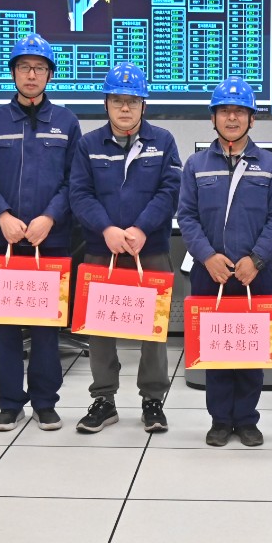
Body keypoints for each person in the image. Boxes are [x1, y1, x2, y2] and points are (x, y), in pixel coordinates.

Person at [68, 62, 182, 434]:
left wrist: (140, 228)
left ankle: (152, 400)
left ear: (144, 105)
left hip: (150, 249)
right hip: (102, 249)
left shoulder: (162, 141)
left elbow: (170, 190)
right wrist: (107, 229)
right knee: (100, 328)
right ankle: (104, 399)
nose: (125, 108)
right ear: (106, 103)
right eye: (117, 100)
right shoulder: (88, 144)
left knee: (153, 329)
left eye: (133, 101)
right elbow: (79, 194)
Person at [177, 77, 272, 447]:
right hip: (209, 274)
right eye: (224, 111)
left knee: (250, 349)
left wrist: (256, 259)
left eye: (239, 111)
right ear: (213, 117)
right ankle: (220, 420)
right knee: (217, 349)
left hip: (254, 275)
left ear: (252, 119)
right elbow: (187, 217)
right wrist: (207, 257)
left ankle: (246, 419)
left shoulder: (270, 165)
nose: (231, 118)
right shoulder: (196, 164)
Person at [0, 33, 82, 432]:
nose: (32, 75)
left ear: (50, 74)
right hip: (2, 242)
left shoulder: (67, 122)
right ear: (13, 73)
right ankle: (9, 402)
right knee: (5, 328)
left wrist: (50, 217)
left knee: (46, 329)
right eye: (24, 67)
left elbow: (75, 181)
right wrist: (1, 214)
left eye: (39, 68)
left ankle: (45, 401)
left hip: (50, 242)